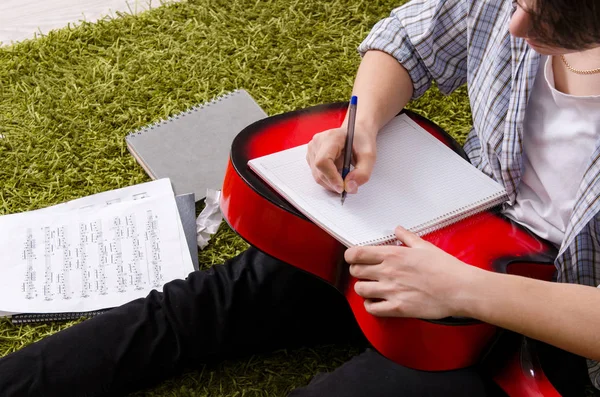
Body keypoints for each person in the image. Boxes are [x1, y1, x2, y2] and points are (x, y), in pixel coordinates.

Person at [1, 0, 600, 395]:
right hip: (451, 219)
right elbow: (408, 40)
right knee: (197, 309)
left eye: (555, 20)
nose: (517, 27)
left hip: (549, 326)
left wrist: (458, 287)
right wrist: (360, 121)